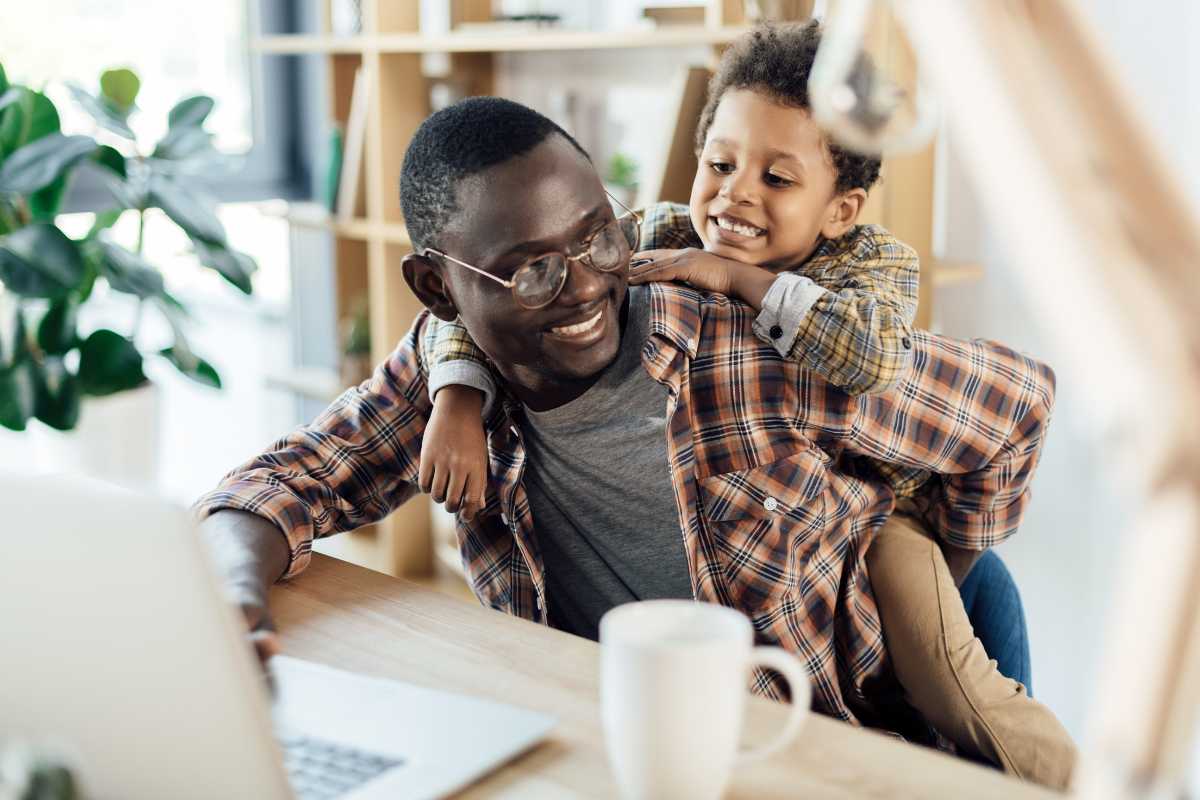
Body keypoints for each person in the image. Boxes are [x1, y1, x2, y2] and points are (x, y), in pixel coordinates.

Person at [196, 95, 1074, 788]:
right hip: (612, 754)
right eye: (533, 268)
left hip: (811, 752)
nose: (584, 289)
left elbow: (1017, 400)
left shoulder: (746, 352)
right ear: (437, 287)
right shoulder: (451, 384)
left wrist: (954, 563)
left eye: (597, 237)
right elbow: (286, 478)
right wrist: (233, 587)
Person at [413, 22, 1063, 781]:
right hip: (796, 543)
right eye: (720, 163)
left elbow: (873, 358)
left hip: (891, 522)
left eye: (778, 180)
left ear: (841, 210)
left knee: (961, 700)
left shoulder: (872, 263)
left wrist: (738, 280)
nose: (735, 194)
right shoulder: (659, 232)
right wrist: (457, 395)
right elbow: (498, 294)